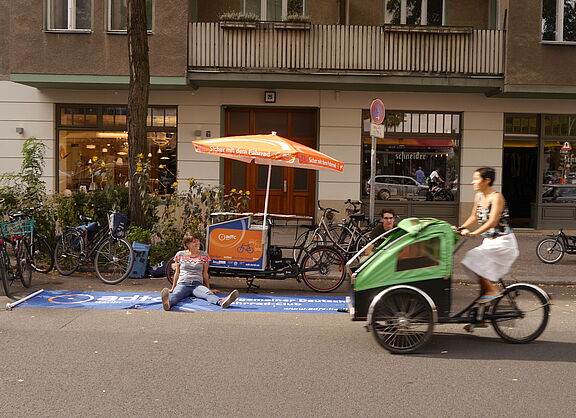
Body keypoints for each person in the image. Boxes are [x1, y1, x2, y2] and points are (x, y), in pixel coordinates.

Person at [453, 167, 519, 331]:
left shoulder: (497, 197)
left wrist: (474, 233)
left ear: (486, 181)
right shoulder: (479, 196)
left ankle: (491, 291)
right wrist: (461, 228)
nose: (472, 182)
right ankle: (480, 318)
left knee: (471, 258)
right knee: (481, 276)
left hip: (503, 242)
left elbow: (493, 221)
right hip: (490, 243)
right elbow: (474, 216)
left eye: (476, 179)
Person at [161, 232, 239, 311]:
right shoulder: (180, 254)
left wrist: (208, 288)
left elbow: (205, 274)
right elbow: (177, 273)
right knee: (176, 294)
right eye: (194, 242)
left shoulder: (204, 256)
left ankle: (222, 302)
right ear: (187, 244)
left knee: (208, 294)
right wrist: (173, 288)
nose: (197, 243)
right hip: (183, 283)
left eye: (198, 241)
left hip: (197, 285)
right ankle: (168, 304)